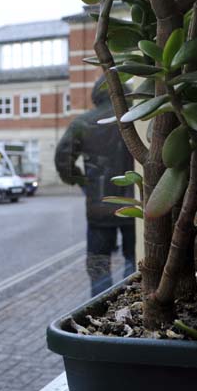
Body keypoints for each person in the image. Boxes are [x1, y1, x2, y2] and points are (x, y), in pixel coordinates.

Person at [55, 75, 136, 297]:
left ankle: (103, 310)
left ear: (96, 95)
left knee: (99, 264)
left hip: (99, 206)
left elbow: (63, 159)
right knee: (136, 260)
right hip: (137, 205)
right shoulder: (138, 119)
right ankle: (133, 304)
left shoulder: (83, 123)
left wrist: (83, 183)